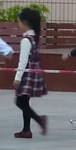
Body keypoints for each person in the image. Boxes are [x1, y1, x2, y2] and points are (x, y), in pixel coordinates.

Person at [13, 8, 48, 139]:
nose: (18, 25)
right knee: (24, 102)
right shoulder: (34, 37)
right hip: (33, 72)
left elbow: (23, 61)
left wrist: (17, 78)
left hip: (26, 73)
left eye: (19, 22)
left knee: (20, 102)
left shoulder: (26, 40)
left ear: (25, 22)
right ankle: (26, 130)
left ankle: (39, 120)